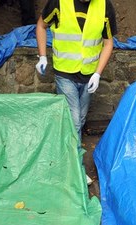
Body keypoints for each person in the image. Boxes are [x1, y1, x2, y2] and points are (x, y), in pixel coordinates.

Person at [35, 0, 116, 184]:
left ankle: (65, 161)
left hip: (88, 75)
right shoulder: (58, 2)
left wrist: (97, 73)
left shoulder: (104, 6)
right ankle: (76, 172)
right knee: (74, 121)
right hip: (65, 73)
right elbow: (41, 25)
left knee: (78, 120)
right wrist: (42, 56)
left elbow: (108, 42)